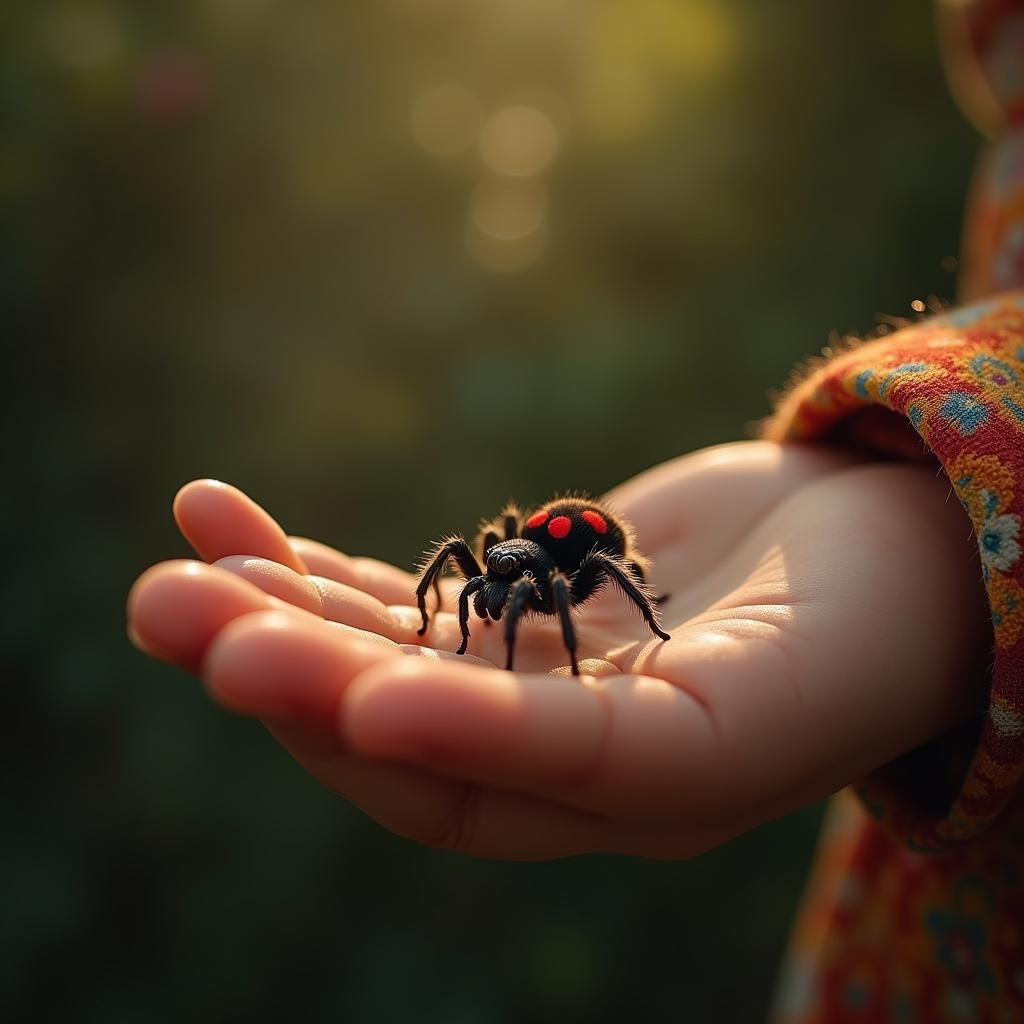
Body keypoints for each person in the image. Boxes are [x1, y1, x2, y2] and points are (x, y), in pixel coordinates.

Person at [127, 1, 1024, 1018]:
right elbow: (477, 565)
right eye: (486, 589)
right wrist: (434, 613)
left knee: (571, 574)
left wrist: (614, 629)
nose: (491, 594)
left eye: (494, 596)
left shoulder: (557, 572)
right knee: (489, 563)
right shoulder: (498, 566)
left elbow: (583, 567)